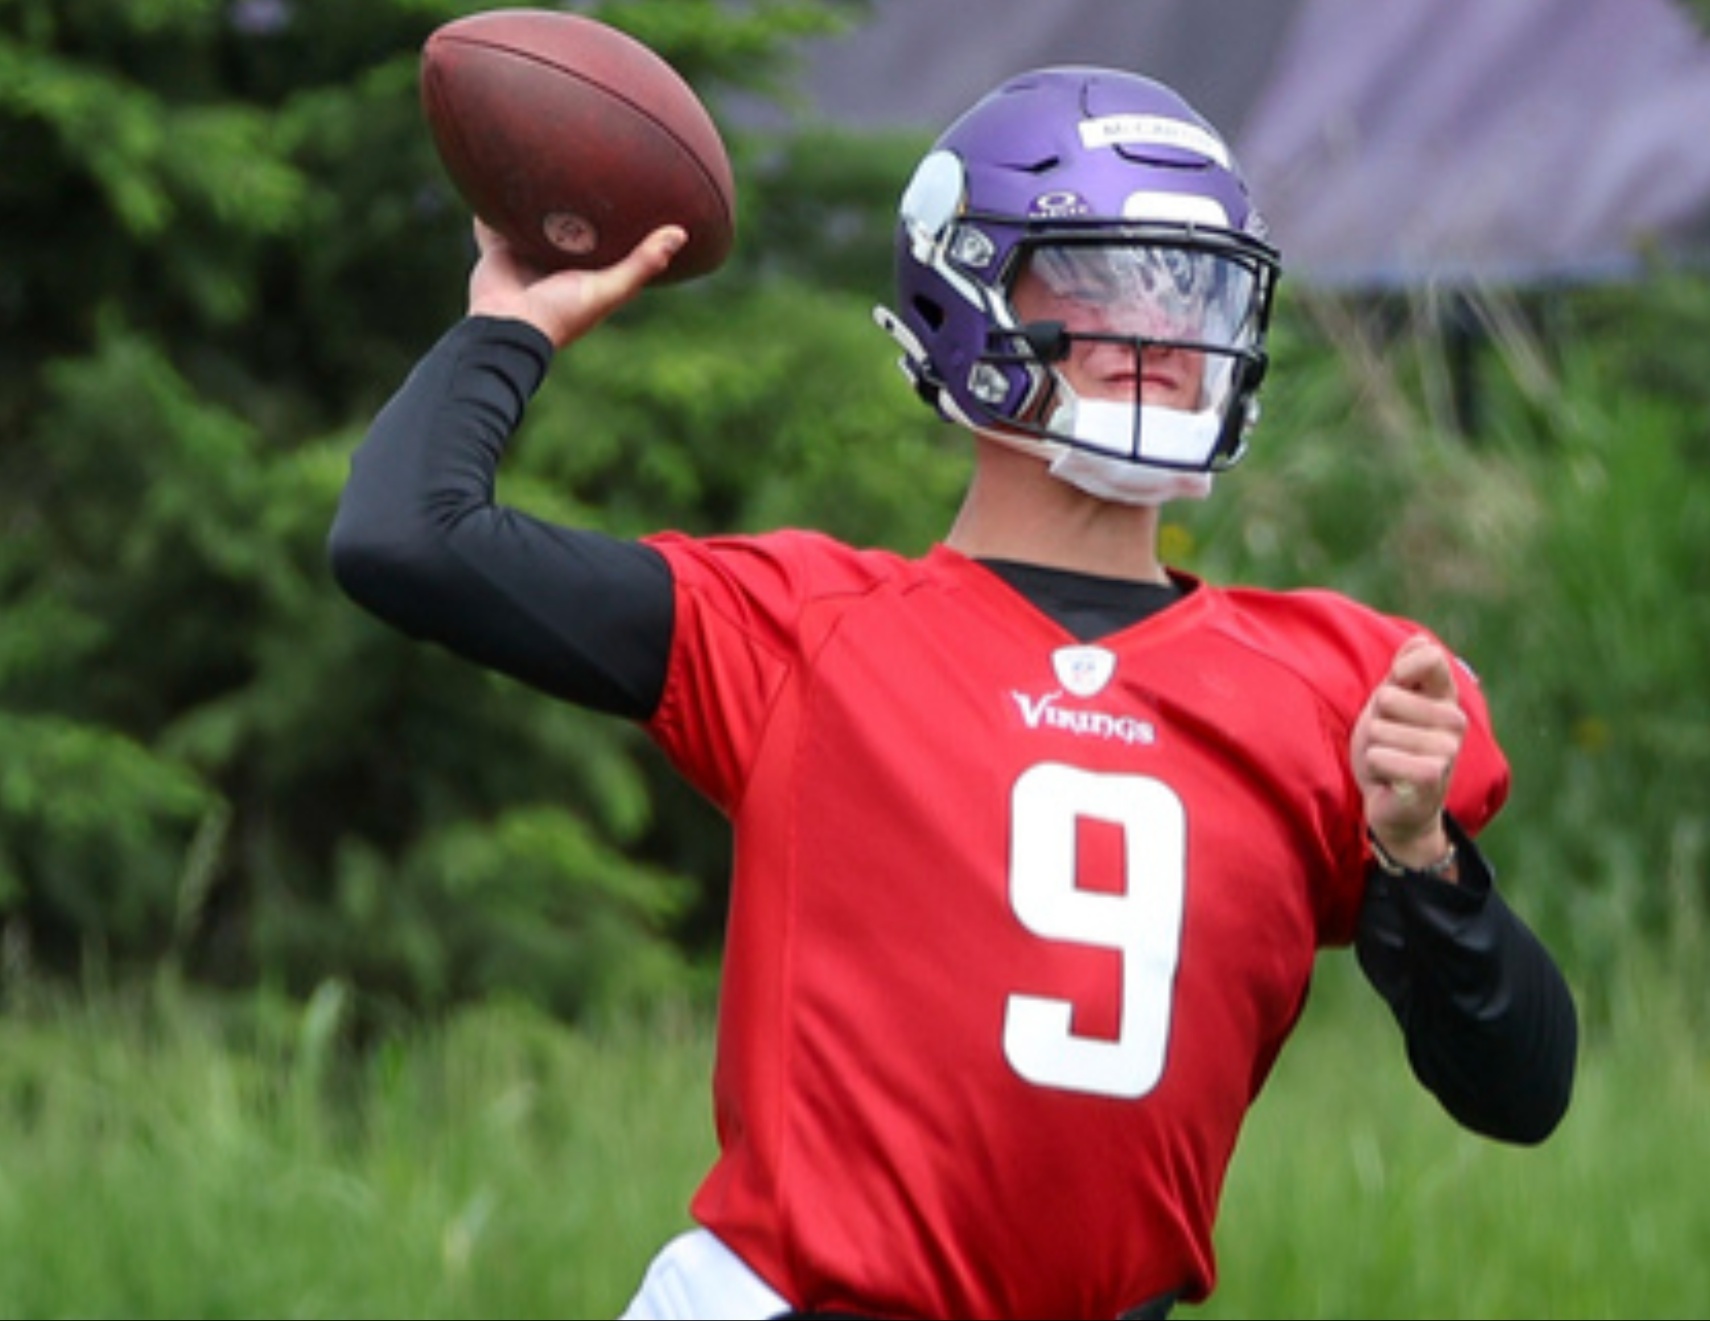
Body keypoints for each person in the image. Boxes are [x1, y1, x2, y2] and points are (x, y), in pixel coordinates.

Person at [330, 64, 1577, 1321]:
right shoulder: (801, 633)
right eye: (1100, 286)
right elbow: (408, 539)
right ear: (967, 301)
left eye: (1191, 290)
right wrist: (511, 322)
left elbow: (1521, 1093)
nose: (1161, 335)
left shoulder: (1327, 688)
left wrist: (1420, 854)